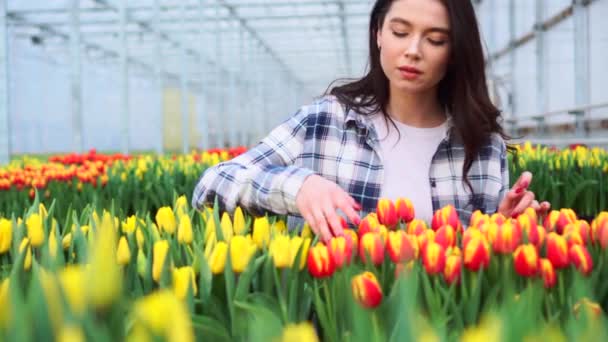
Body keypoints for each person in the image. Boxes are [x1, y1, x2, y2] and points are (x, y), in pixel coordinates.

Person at [192, 0, 550, 242]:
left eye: (435, 39)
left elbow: (475, 267)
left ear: (455, 51)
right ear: (378, 33)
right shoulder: (326, 122)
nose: (413, 50)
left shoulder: (483, 146)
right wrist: (298, 187)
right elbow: (212, 185)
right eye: (400, 32)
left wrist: (501, 229)